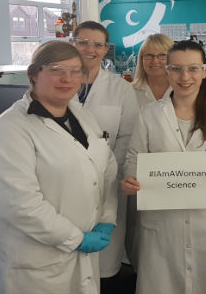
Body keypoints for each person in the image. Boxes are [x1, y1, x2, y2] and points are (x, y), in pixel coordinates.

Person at [0, 41, 118, 294]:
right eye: (56, 69)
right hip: (35, 261)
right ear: (34, 74)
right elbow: (20, 205)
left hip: (82, 254)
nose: (67, 78)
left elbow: (106, 168)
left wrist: (107, 217)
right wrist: (76, 239)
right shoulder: (9, 129)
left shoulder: (80, 114)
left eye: (76, 70)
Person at [122, 40, 206, 294]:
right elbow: (133, 158)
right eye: (176, 69)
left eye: (193, 69)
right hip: (163, 225)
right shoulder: (149, 115)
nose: (184, 77)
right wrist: (132, 178)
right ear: (167, 71)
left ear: (205, 71)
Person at [72, 21, 139, 290]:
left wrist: (113, 172)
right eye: (83, 42)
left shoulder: (121, 88)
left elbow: (127, 136)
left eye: (97, 44)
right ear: (72, 43)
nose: (90, 49)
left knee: (104, 264)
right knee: (69, 257)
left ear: (106, 49)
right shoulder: (60, 83)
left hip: (108, 182)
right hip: (67, 182)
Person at [126, 33, 174, 271]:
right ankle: (138, 272)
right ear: (141, 60)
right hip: (138, 174)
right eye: (149, 56)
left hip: (175, 174)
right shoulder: (129, 91)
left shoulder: (183, 90)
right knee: (138, 232)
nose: (155, 61)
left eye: (162, 55)